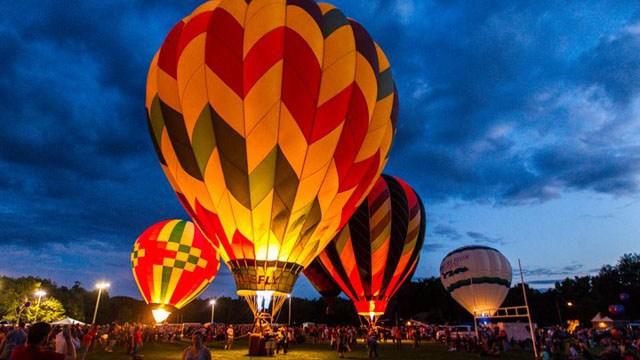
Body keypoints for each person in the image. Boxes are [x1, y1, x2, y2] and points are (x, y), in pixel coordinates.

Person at [10, 322, 76, 360]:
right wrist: (68, 339)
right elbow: (72, 357)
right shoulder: (46, 356)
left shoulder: (16, 350)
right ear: (44, 338)